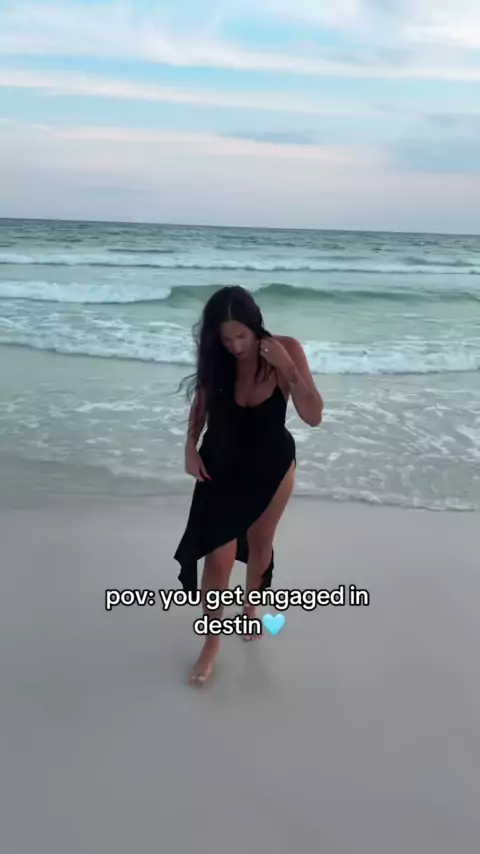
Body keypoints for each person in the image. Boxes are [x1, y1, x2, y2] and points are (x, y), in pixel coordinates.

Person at [174, 285, 323, 684]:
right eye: (227, 339)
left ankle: (251, 608)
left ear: (255, 325)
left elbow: (313, 415)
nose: (236, 346)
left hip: (271, 466)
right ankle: (211, 642)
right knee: (217, 558)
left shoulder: (286, 349)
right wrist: (190, 445)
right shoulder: (217, 356)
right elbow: (202, 403)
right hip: (220, 465)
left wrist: (287, 368)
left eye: (241, 336)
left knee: (260, 544)